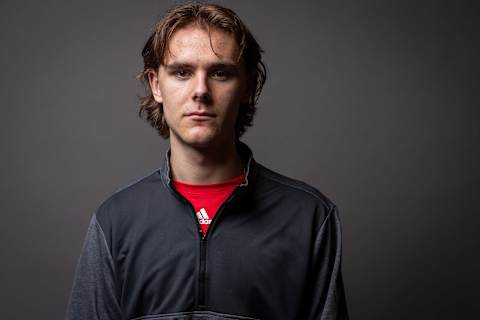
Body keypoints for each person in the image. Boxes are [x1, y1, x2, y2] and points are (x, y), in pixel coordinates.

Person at [66, 3, 348, 320]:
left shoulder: (309, 218)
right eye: (182, 72)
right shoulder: (115, 221)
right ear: (156, 85)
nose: (201, 91)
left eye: (220, 73)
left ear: (247, 87)